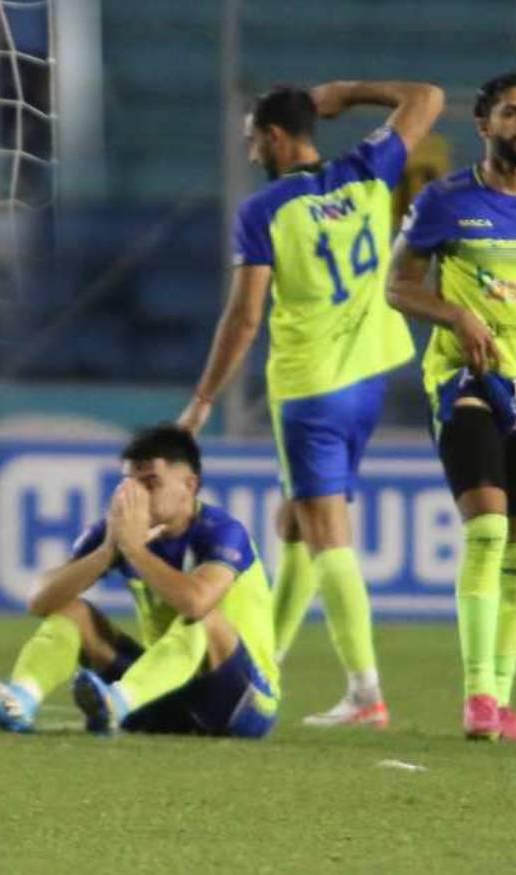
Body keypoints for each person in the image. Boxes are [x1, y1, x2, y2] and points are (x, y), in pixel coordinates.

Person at [177, 80, 444, 728]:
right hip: (370, 377)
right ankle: (265, 661)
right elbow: (427, 97)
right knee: (296, 520)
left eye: (252, 140)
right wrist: (348, 94)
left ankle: (365, 691)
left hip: (310, 389)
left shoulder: (264, 210)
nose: (249, 153)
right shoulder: (367, 170)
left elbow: (244, 318)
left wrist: (203, 399)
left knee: (326, 533)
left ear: (273, 137)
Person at [388, 72, 516, 742]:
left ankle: (502, 702)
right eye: (511, 113)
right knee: (487, 533)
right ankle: (477, 695)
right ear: (484, 125)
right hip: (465, 380)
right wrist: (455, 315)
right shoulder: (445, 201)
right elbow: (397, 286)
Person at [0, 424, 280, 740]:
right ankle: (20, 699)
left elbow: (196, 603)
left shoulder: (222, 531)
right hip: (165, 696)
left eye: (151, 483)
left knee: (204, 618)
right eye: (131, 485)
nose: (138, 496)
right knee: (72, 611)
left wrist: (134, 551)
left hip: (242, 704)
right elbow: (40, 600)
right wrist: (107, 552)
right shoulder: (120, 531)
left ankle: (116, 702)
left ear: (189, 485)